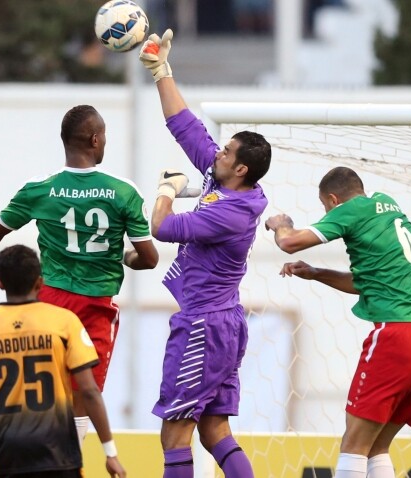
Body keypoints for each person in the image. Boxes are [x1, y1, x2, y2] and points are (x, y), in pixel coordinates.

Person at [0, 104, 159, 442]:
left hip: (49, 302)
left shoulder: (40, 189)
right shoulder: (124, 192)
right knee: (83, 395)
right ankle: (70, 461)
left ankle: (19, 450)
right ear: (95, 139)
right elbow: (149, 259)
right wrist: (122, 255)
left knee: (40, 388)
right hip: (96, 306)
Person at [138, 29, 272, 478]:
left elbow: (162, 228)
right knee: (214, 430)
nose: (218, 153)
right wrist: (161, 71)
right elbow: (186, 127)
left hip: (203, 325)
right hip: (223, 322)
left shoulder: (230, 213)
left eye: (226, 152)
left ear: (241, 168)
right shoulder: (227, 179)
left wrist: (166, 189)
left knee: (175, 434)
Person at [266, 166, 411, 478]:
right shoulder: (388, 205)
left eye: (325, 206)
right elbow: (369, 283)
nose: (327, 213)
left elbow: (289, 242)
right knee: (377, 447)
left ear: (333, 200)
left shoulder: (350, 209)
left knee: (354, 444)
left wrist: (282, 224)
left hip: (396, 337)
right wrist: (317, 273)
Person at [0, 245, 126, 478]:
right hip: (60, 454)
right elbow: (89, 390)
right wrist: (110, 452)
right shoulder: (64, 323)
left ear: (0, 284)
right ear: (40, 283)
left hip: (8, 455)